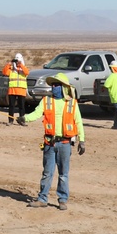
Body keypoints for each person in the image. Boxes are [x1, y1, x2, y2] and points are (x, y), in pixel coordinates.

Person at [24, 72, 85, 209]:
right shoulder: (46, 101)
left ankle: (62, 200)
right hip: (49, 144)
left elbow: (79, 122)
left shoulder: (72, 104)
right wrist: (24, 118)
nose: (54, 88)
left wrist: (82, 140)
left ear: (64, 87)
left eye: (57, 85)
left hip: (65, 144)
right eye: (53, 85)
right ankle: (42, 199)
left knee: (63, 174)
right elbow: (36, 114)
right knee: (47, 172)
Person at [2, 53, 29, 125]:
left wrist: (20, 65)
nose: (17, 63)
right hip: (12, 90)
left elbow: (27, 72)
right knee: (11, 106)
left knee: (22, 106)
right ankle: (10, 121)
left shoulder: (24, 68)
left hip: (21, 90)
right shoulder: (11, 69)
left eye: (18, 61)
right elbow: (4, 72)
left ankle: (22, 120)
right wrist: (9, 64)